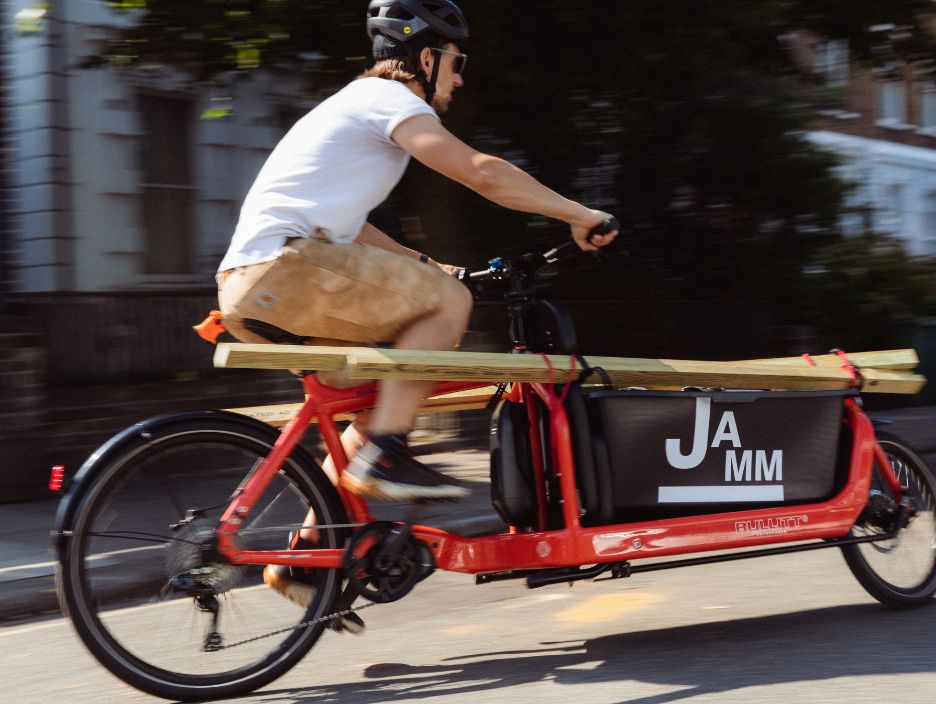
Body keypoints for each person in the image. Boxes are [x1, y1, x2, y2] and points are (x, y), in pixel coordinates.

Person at [216, 0, 617, 618]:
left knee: (378, 396)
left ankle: (304, 552)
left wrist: (433, 270)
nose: (459, 78)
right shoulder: (392, 102)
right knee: (446, 310)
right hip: (285, 270)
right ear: (425, 58)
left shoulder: (351, 110)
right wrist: (577, 214)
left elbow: (354, 232)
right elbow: (482, 173)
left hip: (259, 280)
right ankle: (389, 451)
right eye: (456, 64)